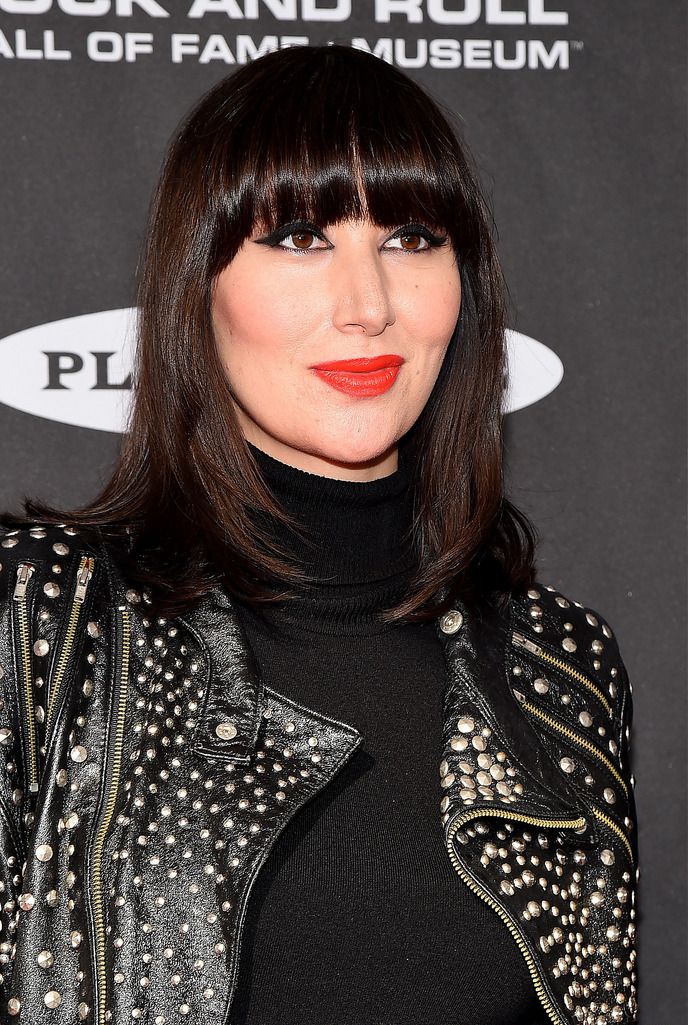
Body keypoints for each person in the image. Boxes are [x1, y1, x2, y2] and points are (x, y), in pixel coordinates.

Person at [0, 43, 637, 1025]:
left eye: (411, 236)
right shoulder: (46, 620)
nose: (367, 304)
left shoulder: (560, 666)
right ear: (197, 283)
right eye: (299, 236)